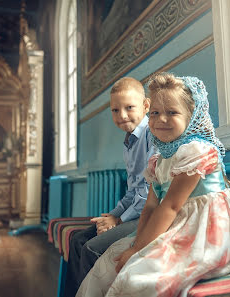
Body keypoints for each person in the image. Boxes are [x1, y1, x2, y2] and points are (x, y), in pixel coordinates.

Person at [76, 73, 230, 297]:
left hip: (205, 232)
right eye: (155, 113)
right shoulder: (159, 160)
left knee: (138, 276)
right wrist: (136, 244)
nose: (161, 119)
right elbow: (150, 207)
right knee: (107, 263)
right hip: (175, 224)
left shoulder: (197, 151)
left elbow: (169, 206)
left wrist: (138, 249)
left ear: (191, 115)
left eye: (172, 112)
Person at [64, 77, 156, 297]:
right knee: (77, 240)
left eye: (129, 107)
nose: (122, 115)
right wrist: (112, 216)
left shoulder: (151, 135)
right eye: (115, 110)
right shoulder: (129, 142)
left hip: (149, 214)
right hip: (131, 213)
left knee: (91, 249)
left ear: (146, 105)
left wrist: (118, 221)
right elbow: (132, 190)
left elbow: (146, 193)